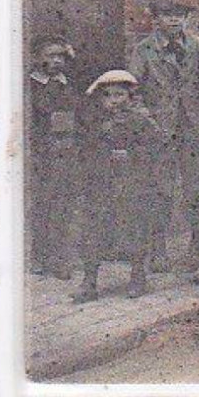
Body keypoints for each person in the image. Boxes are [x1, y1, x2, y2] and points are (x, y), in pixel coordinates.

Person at [128, 0, 199, 272]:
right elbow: (133, 89)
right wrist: (148, 119)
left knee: (195, 190)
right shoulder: (145, 50)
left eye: (180, 14)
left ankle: (196, 249)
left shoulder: (196, 45)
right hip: (160, 131)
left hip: (192, 127)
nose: (174, 19)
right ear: (156, 19)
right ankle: (159, 249)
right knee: (161, 190)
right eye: (167, 14)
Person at [74, 70, 161, 303]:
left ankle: (137, 275)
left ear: (130, 97)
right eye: (108, 95)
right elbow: (85, 147)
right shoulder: (95, 120)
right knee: (94, 227)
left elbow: (156, 147)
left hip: (133, 182)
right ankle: (89, 280)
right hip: (102, 182)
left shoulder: (142, 119)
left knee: (134, 226)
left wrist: (132, 154)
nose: (114, 100)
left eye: (120, 94)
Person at [27, 34, 79, 279]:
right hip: (41, 154)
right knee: (42, 205)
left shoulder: (67, 83)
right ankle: (39, 256)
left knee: (63, 205)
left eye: (61, 56)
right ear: (37, 58)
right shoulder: (31, 86)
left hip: (65, 151)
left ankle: (60, 258)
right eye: (51, 56)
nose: (57, 61)